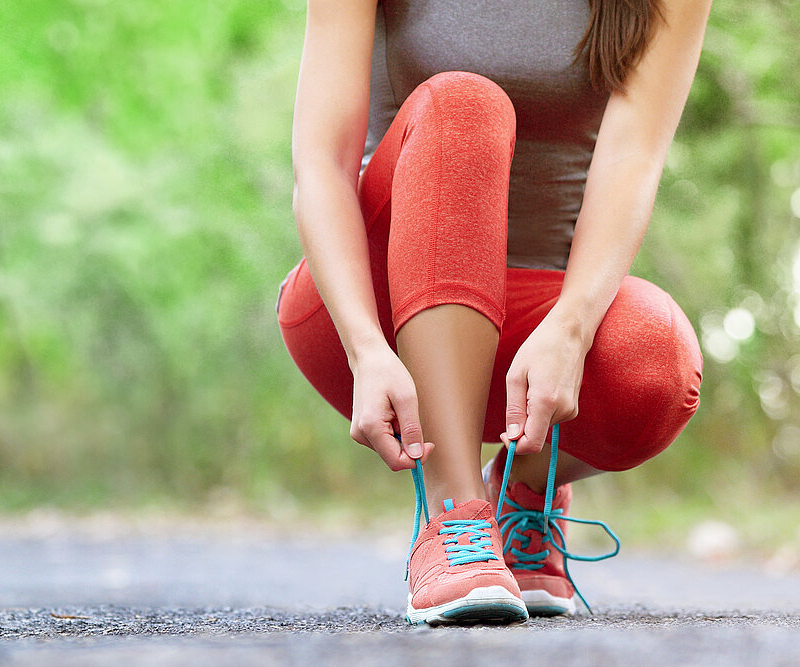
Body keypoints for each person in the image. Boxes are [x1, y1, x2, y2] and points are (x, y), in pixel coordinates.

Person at [278, 0, 712, 624]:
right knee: (463, 104)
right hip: (373, 306)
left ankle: (522, 489)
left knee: (657, 361)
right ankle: (455, 520)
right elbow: (321, 162)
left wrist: (571, 327)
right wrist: (365, 346)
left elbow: (632, 157)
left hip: (537, 320)